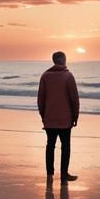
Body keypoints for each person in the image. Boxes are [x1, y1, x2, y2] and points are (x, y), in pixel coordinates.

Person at [37, 50, 80, 181]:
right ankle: (64, 175)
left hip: (49, 118)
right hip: (65, 119)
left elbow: (40, 99)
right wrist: (75, 116)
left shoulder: (45, 76)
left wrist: (43, 115)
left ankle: (50, 174)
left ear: (54, 61)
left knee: (50, 145)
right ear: (64, 60)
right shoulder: (68, 76)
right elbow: (74, 99)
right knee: (65, 147)